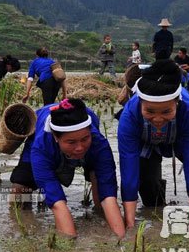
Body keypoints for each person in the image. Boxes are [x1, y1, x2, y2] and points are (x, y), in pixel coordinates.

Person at [118, 59, 189, 229]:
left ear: (177, 102)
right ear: (140, 103)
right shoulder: (129, 117)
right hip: (145, 142)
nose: (157, 119)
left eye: (166, 111)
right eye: (149, 111)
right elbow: (129, 173)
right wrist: (130, 225)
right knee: (150, 199)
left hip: (182, 139)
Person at [10, 98, 125, 238]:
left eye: (84, 139)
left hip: (91, 147)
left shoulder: (98, 143)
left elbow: (109, 197)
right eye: (71, 142)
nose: (79, 148)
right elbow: (56, 202)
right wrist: (70, 243)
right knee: (20, 190)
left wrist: (121, 239)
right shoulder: (40, 148)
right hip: (43, 144)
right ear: (56, 137)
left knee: (101, 194)